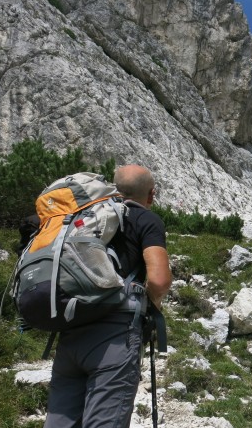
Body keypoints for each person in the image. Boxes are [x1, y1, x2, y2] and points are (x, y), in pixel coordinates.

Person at [44, 165, 172, 428]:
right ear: (151, 195)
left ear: (114, 189)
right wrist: (150, 308)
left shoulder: (87, 217)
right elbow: (159, 281)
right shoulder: (146, 219)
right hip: (115, 338)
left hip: (71, 331)